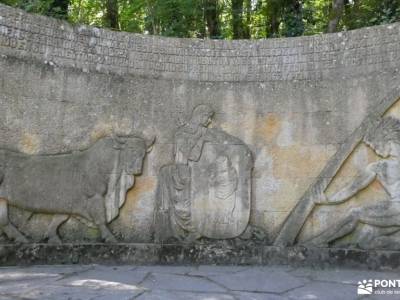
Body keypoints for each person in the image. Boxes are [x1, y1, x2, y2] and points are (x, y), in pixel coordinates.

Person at [308, 117, 400, 248]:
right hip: (394, 211)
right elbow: (353, 187)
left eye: (375, 145)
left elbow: (353, 188)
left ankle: (317, 242)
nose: (375, 150)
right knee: (366, 239)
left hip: (397, 208)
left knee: (355, 213)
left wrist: (327, 200)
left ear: (386, 138)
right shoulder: (378, 167)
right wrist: (327, 199)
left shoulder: (379, 167)